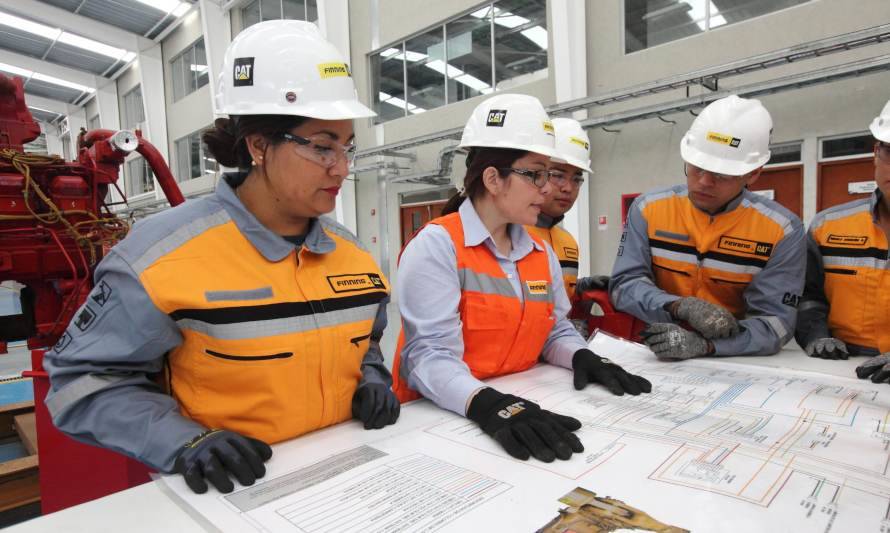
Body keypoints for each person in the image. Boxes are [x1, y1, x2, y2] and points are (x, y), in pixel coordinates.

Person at [43, 20, 399, 495]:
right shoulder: (159, 258)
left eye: (346, 146)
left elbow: (367, 343)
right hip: (231, 495)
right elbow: (81, 380)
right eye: (321, 147)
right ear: (258, 146)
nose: (342, 167)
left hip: (347, 483)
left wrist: (371, 379)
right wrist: (185, 441)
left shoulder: (352, 256)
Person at [390, 94, 651, 464]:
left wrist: (582, 356)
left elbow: (552, 330)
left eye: (549, 174)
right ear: (493, 179)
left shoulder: (539, 254)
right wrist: (488, 404)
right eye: (536, 174)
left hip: (517, 408)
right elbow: (427, 356)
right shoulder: (437, 246)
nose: (547, 189)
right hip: (440, 422)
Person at [610, 95, 805, 360]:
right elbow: (624, 285)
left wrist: (708, 346)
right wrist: (677, 306)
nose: (703, 182)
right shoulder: (648, 209)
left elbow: (775, 324)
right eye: (696, 168)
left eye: (721, 175)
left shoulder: (782, 230)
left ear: (754, 173)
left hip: (735, 362)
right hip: (651, 352)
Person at [796, 99, 890, 383]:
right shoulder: (827, 225)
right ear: (876, 153)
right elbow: (808, 296)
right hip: (840, 371)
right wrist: (816, 335)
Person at [526, 118, 609, 337]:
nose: (568, 188)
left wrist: (580, 287)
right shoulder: (508, 235)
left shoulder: (567, 243)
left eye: (577, 179)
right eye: (558, 176)